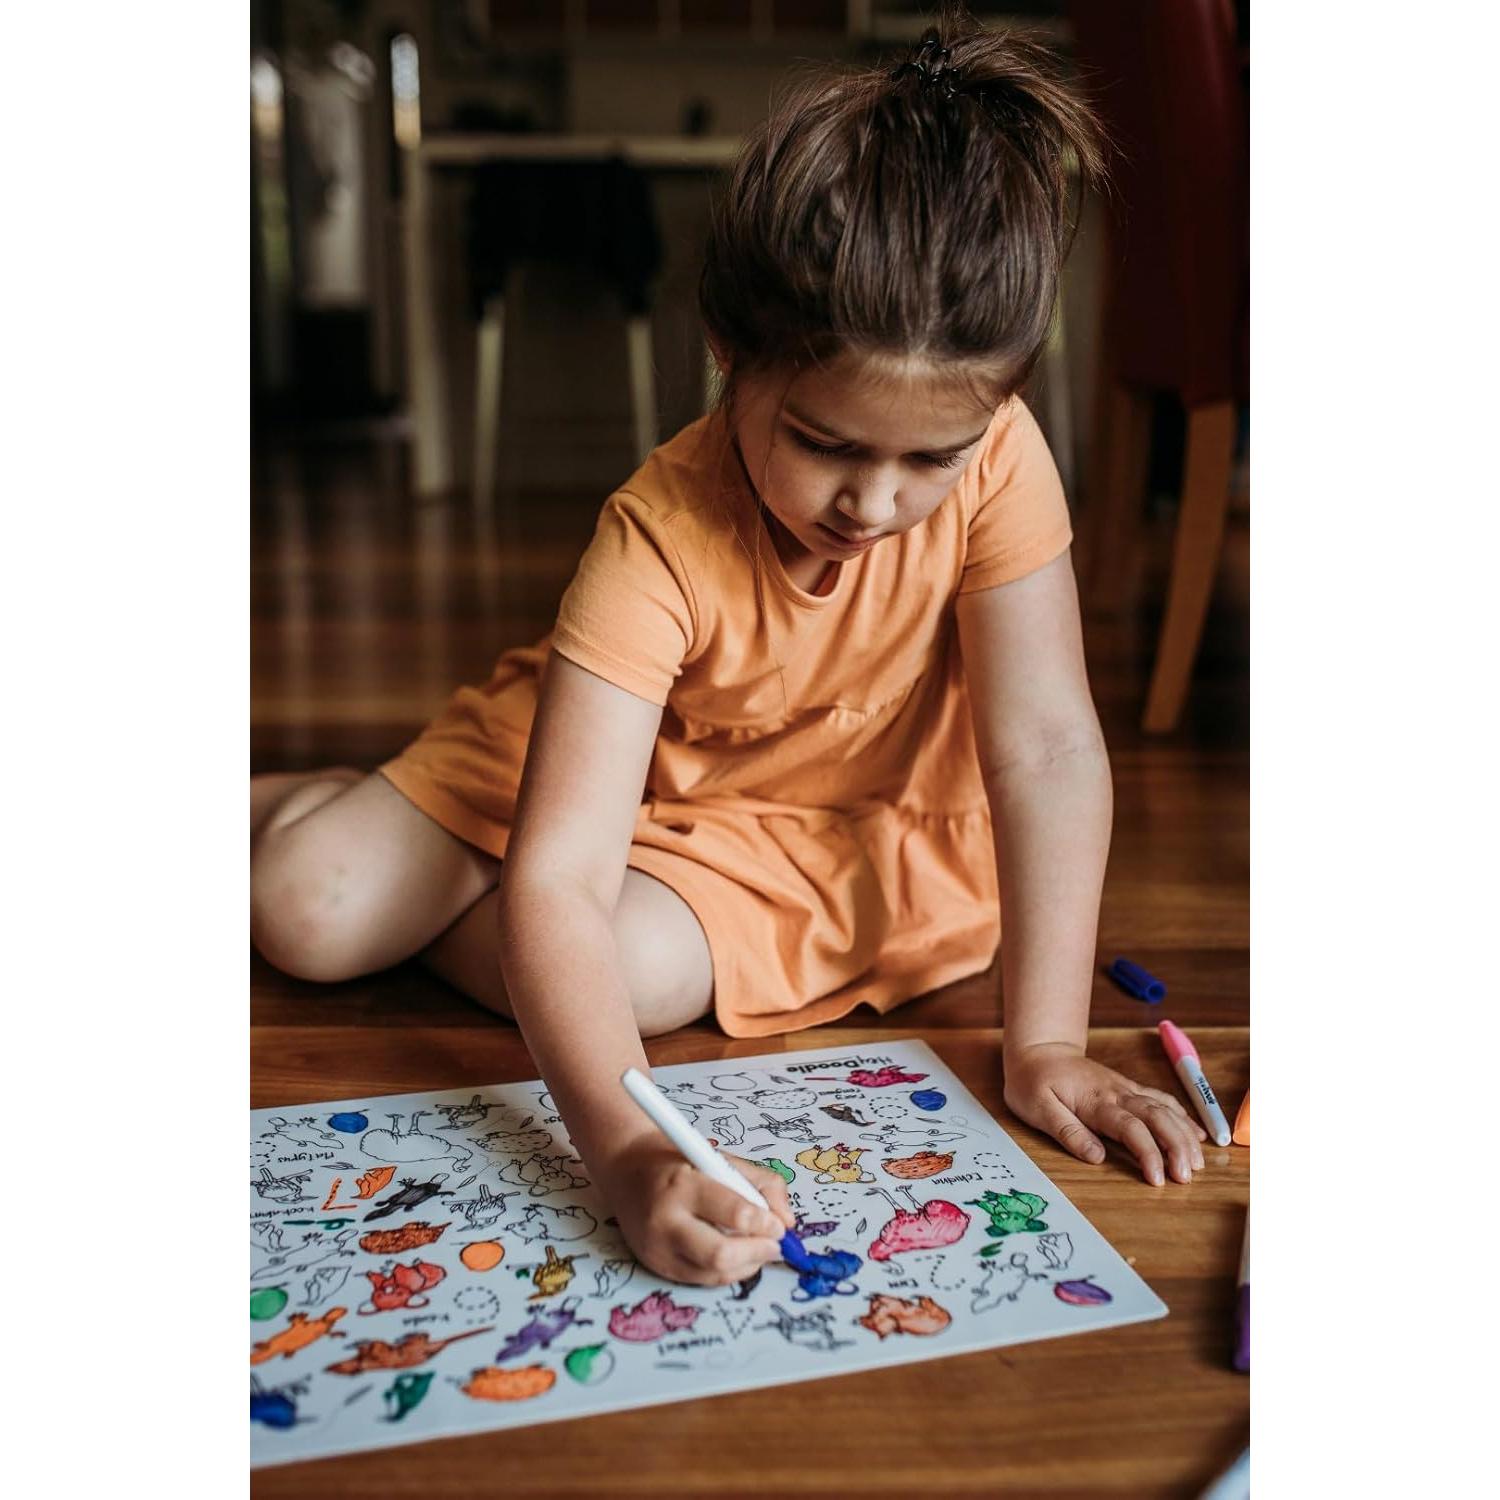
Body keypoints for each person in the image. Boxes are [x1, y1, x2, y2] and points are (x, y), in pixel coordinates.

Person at [251, 15, 1208, 1290]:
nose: (874, 502)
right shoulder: (655, 531)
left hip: (823, 831)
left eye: (932, 458)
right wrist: (630, 1149)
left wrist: (1040, 1043)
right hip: (610, 752)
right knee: (305, 910)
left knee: (620, 975)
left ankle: (423, 859)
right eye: (825, 442)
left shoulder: (1008, 460)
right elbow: (562, 881)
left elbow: (1041, 746)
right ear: (728, 350)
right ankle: (306, 812)